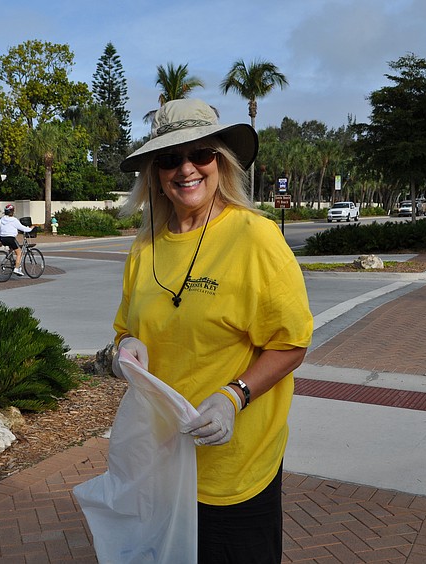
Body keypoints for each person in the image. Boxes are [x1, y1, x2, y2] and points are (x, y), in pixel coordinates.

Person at [111, 98, 313, 563]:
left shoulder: (255, 237)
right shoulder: (146, 248)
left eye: (201, 154)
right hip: (162, 462)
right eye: (169, 159)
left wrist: (232, 396)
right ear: (154, 175)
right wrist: (128, 347)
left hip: (235, 469)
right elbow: (124, 329)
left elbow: (292, 342)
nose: (186, 169)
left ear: (221, 162)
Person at [0, 204, 33, 276]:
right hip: (10, 238)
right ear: (12, 212)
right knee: (19, 253)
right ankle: (16, 269)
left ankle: (12, 262)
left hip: (3, 238)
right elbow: (22, 228)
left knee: (11, 249)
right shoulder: (14, 220)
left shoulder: (1, 219)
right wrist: (30, 229)